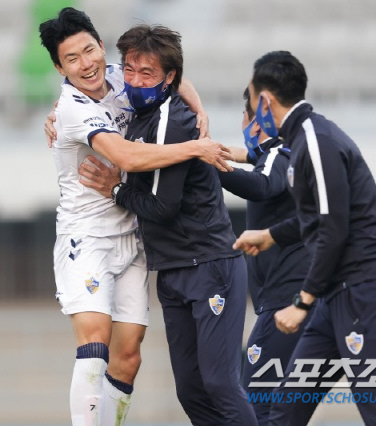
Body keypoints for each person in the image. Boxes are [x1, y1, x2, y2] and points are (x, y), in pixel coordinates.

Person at [38, 8, 233, 426]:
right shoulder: (71, 108)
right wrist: (195, 148)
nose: (85, 63)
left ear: (100, 46)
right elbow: (125, 155)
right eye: (72, 59)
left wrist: (197, 107)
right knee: (95, 344)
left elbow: (170, 73)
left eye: (89, 50)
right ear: (60, 67)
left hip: (133, 231)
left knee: (128, 355)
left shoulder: (120, 75)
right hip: (85, 238)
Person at [78, 24, 257, 426]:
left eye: (148, 74)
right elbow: (87, 88)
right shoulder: (138, 102)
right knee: (191, 390)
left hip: (210, 265)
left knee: (220, 383)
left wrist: (116, 190)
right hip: (174, 270)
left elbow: (161, 207)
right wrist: (56, 115)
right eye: (130, 70)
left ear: (168, 77)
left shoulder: (168, 121)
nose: (136, 81)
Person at [233, 51, 376, 426]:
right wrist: (270, 235)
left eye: (250, 100)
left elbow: (334, 228)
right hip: (334, 298)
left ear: (265, 101)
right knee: (284, 413)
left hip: (364, 291)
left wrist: (303, 300)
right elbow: (314, 218)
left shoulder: (316, 141)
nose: (249, 110)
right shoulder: (300, 142)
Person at [219, 87, 310, 425]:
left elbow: (262, 185)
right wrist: (240, 156)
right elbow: (266, 164)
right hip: (296, 297)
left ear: (256, 123)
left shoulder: (278, 153)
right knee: (283, 411)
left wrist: (212, 168)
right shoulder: (286, 154)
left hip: (284, 301)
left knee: (255, 405)